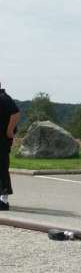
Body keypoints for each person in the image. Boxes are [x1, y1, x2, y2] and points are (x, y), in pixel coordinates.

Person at [0, 83, 20, 211]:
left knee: (1, 167)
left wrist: (9, 130)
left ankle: (4, 200)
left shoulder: (4, 98)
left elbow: (16, 114)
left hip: (2, 139)